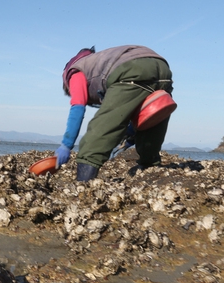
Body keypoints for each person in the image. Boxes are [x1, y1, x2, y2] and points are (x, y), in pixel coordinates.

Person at [55, 45, 174, 181]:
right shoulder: (99, 61)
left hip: (133, 69)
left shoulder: (75, 72)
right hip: (163, 69)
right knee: (152, 128)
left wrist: (66, 145)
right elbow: (127, 106)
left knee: (96, 137)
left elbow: (78, 107)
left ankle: (83, 183)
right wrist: (131, 132)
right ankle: (150, 170)